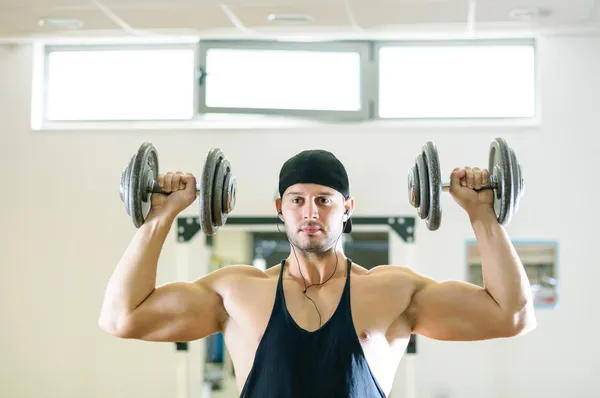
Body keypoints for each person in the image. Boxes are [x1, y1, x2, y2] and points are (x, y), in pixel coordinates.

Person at [98, 149, 537, 398]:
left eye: (325, 199)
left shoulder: (392, 290)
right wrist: (159, 218)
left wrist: (483, 216)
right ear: (280, 209)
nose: (310, 212)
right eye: (297, 200)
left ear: (347, 210)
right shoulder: (236, 291)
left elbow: (511, 316)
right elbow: (122, 318)